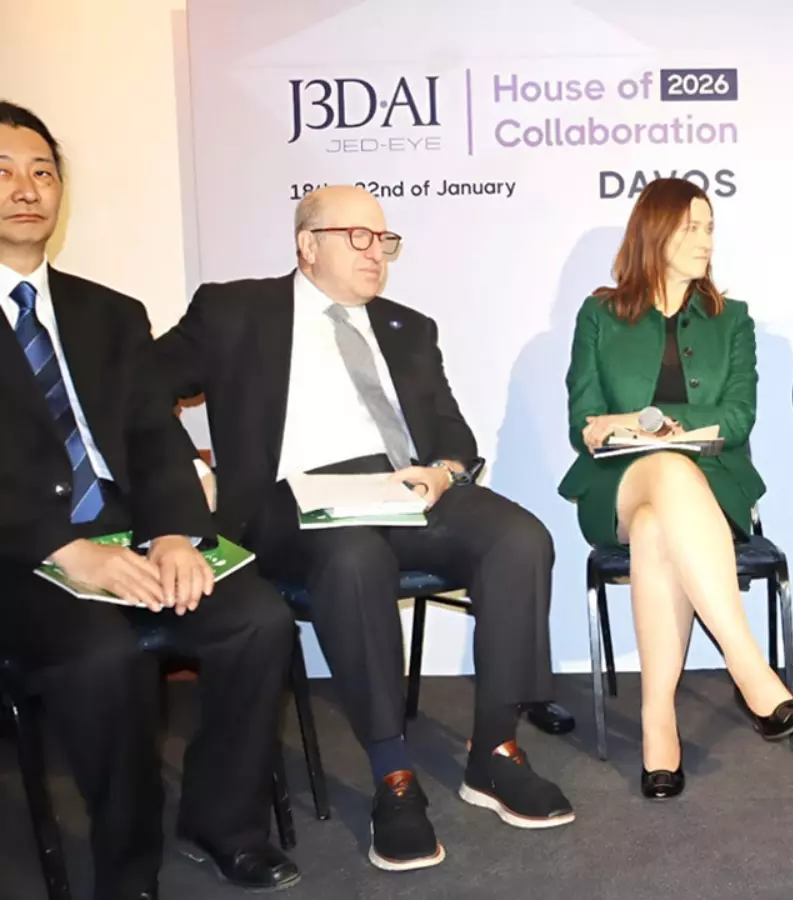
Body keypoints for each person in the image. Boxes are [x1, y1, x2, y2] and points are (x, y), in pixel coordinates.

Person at [154, 185, 574, 872]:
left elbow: (453, 433)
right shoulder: (235, 309)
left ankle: (495, 751)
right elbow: (137, 387)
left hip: (403, 489)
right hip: (295, 502)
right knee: (354, 557)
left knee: (520, 538)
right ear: (306, 245)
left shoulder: (410, 327)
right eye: (357, 236)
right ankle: (393, 777)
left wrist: (443, 472)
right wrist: (188, 472)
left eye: (384, 239)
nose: (376, 251)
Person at [0, 101, 300, 897]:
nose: (26, 189)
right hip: (22, 554)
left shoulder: (109, 312)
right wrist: (65, 549)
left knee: (257, 619)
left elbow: (154, 437)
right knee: (105, 655)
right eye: (3, 172)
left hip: (132, 532)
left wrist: (172, 533)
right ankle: (127, 867)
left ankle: (223, 822)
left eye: (42, 171)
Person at [560, 177, 793, 800]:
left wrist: (647, 422)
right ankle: (750, 670)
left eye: (710, 228)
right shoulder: (599, 315)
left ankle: (658, 725)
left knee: (657, 527)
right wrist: (650, 428)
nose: (706, 240)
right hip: (618, 483)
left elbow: (738, 418)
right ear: (655, 232)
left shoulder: (734, 320)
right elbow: (583, 424)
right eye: (691, 228)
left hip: (712, 486)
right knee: (666, 473)